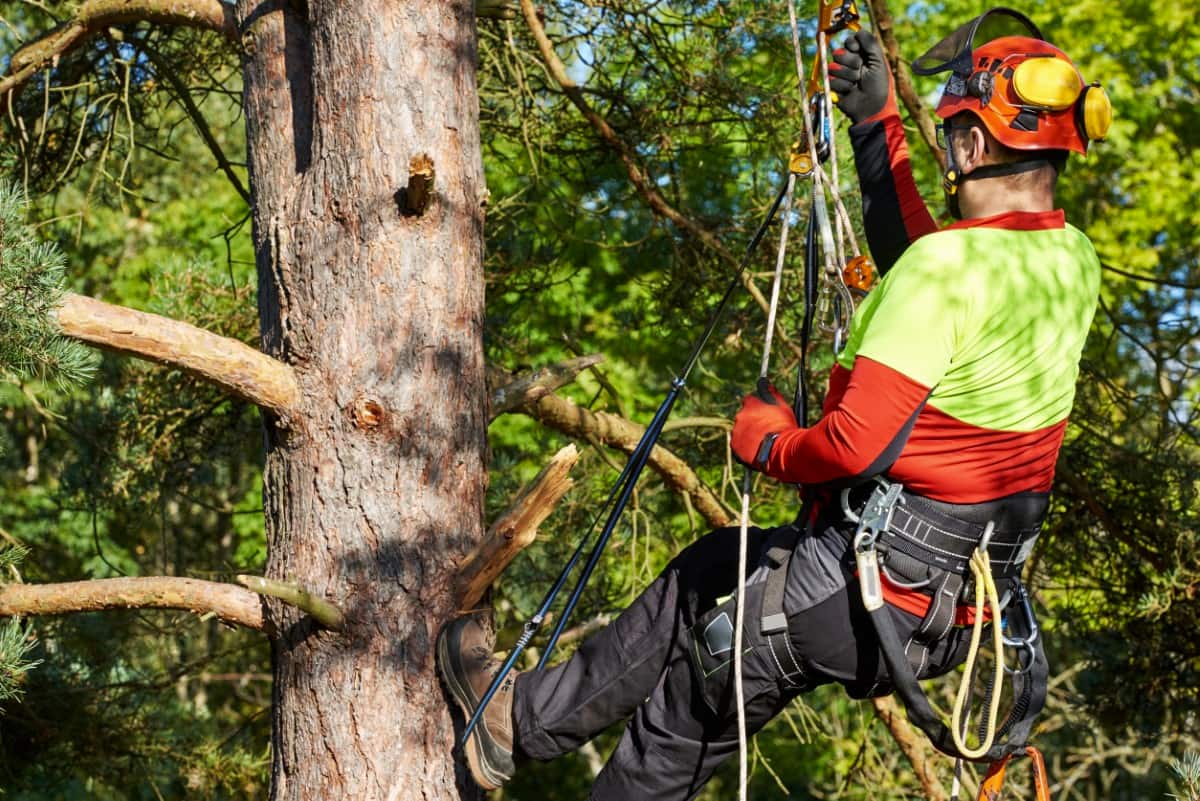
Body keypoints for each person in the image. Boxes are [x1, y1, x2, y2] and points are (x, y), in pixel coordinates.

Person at [437, 8, 1108, 799]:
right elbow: (934, 265)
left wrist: (767, 442)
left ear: (969, 145)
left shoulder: (948, 270)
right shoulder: (1068, 258)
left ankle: (524, 730)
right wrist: (876, 130)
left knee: (678, 724)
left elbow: (854, 444)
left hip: (866, 588)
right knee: (708, 568)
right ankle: (518, 725)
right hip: (946, 606)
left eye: (951, 133)